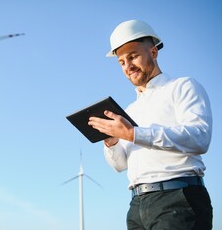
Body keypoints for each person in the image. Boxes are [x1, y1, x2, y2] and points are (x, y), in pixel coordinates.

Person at [88, 20, 213, 230]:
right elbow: (120, 166)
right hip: (137, 206)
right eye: (121, 62)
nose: (128, 66)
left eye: (133, 56)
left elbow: (200, 138)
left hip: (178, 198)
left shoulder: (182, 87)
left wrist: (133, 133)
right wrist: (112, 141)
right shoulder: (129, 111)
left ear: (153, 52)